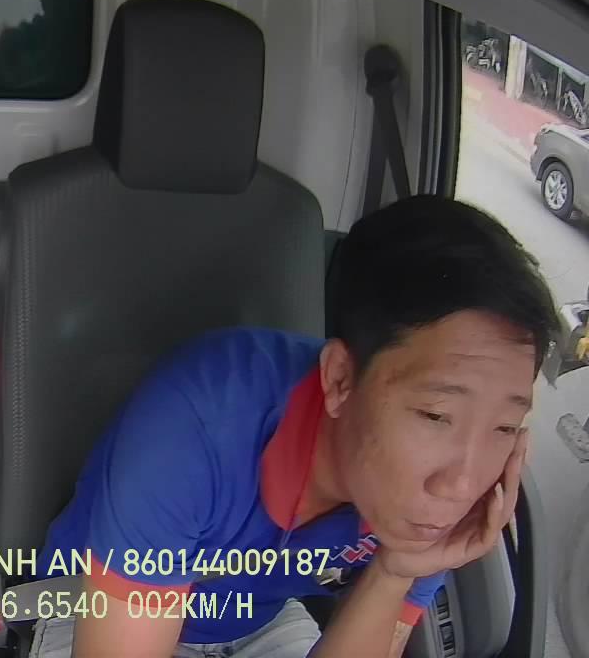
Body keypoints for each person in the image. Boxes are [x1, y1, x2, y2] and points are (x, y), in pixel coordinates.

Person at [30, 196, 557, 658]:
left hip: (259, 620)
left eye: (505, 427)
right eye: (436, 416)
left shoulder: (434, 494)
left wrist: (395, 572)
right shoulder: (195, 427)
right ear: (341, 380)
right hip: (95, 604)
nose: (461, 485)